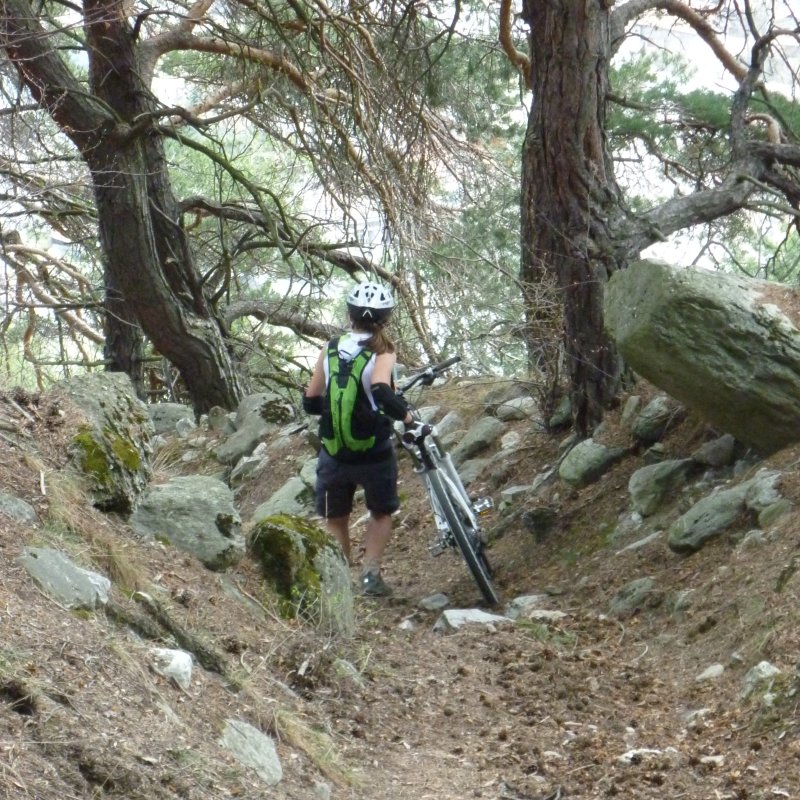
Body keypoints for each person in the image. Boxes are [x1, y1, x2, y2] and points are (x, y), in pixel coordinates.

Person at [302, 281, 414, 596]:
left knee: (335, 516)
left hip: (334, 453)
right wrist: (407, 418)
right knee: (380, 512)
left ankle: (340, 585)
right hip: (374, 452)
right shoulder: (384, 349)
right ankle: (370, 577)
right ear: (385, 318)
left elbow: (310, 401)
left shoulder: (331, 347)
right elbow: (381, 388)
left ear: (350, 315)